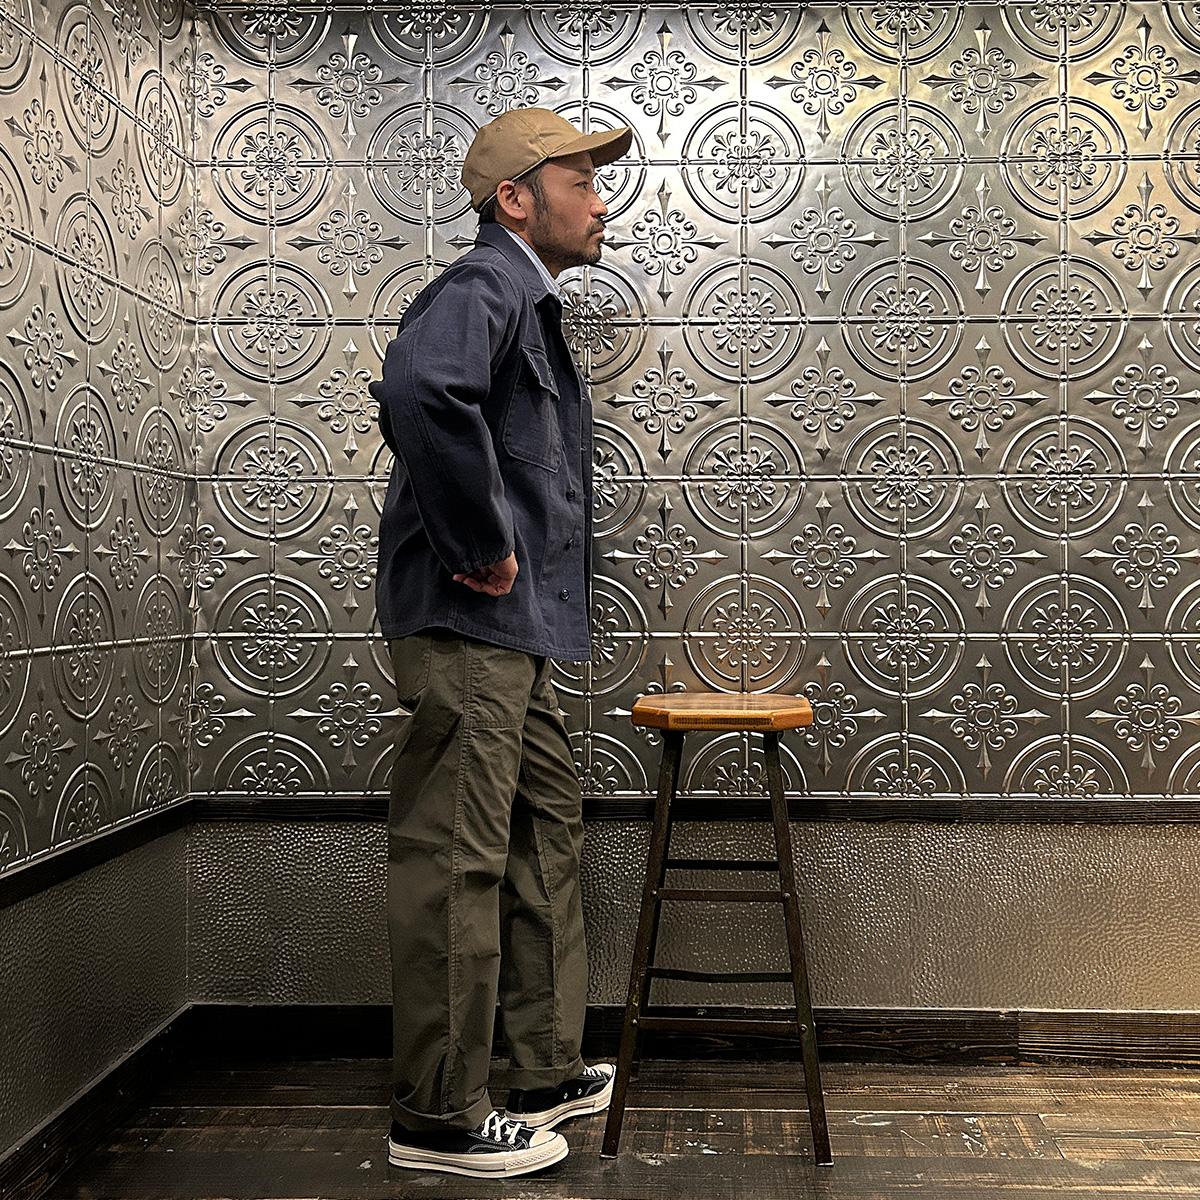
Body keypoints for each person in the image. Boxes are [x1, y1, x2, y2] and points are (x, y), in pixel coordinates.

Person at [368, 107, 633, 1179]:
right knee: (458, 857)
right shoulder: (485, 285)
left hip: (517, 635)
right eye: (582, 182)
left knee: (539, 835)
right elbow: (420, 393)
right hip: (469, 624)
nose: (601, 202)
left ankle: (539, 1066)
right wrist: (480, 542)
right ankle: (437, 1116)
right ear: (516, 200)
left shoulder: (524, 299)